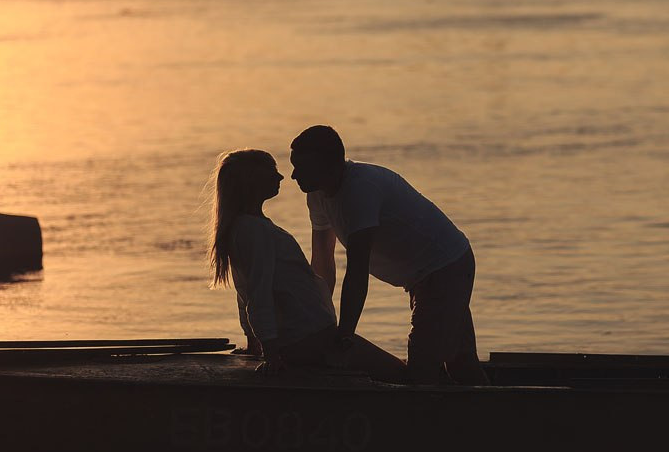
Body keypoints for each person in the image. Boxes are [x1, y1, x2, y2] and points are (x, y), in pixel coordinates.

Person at [289, 126, 488, 385]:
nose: (293, 176)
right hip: (426, 274)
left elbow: (357, 271)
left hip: (444, 268)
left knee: (421, 373)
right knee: (463, 364)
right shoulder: (317, 195)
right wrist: (319, 316)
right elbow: (322, 263)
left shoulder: (359, 191)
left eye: (302, 168)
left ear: (330, 165)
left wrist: (345, 335)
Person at [207, 148, 405, 382]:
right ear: (252, 181)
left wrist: (254, 341)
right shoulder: (254, 231)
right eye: (272, 171)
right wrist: (270, 353)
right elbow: (257, 296)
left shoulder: (246, 228)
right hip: (310, 338)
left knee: (393, 370)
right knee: (402, 373)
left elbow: (245, 292)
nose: (281, 177)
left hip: (309, 336)